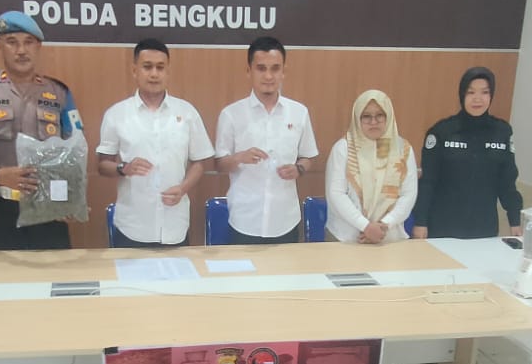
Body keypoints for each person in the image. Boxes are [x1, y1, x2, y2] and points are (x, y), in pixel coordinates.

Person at [0, 11, 86, 251]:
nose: (21, 50)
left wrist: (71, 197)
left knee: (54, 272)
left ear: (38, 46)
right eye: (12, 42)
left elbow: (76, 148)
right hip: (0, 209)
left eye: (28, 42)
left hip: (50, 208)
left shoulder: (59, 93)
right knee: (3, 275)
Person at [96, 39, 214, 248]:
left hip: (175, 224)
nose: (154, 74)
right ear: (135, 71)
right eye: (147, 67)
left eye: (160, 67)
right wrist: (124, 168)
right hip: (132, 225)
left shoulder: (187, 112)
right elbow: (102, 165)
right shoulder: (116, 114)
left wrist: (183, 188)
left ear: (168, 71)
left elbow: (199, 162)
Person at [213, 37, 318, 244]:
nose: (268, 76)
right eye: (261, 68)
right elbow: (219, 164)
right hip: (244, 220)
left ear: (283, 72)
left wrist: (299, 169)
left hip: (286, 220)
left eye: (275, 69)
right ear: (249, 71)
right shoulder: (231, 114)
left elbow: (308, 156)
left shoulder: (299, 112)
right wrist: (240, 158)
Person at [411, 65, 524, 240]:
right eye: (471, 92)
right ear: (462, 94)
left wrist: (514, 220)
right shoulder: (442, 131)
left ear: (491, 95)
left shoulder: (502, 132)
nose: (477, 99)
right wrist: (420, 222)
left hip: (484, 228)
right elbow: (428, 182)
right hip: (443, 226)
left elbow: (507, 182)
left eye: (484, 92)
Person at [323, 90, 418, 244]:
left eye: (380, 115)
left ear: (388, 116)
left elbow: (408, 194)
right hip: (346, 237)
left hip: (389, 237)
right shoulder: (343, 148)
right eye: (366, 116)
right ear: (357, 118)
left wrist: (385, 225)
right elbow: (336, 194)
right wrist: (365, 226)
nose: (373, 122)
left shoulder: (403, 149)